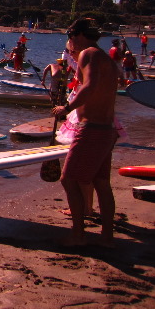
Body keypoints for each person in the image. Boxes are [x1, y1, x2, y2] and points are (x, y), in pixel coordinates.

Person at [51, 18, 120, 248]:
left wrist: (66, 108)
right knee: (101, 182)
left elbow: (89, 86)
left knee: (69, 180)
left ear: (79, 35)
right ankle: (107, 237)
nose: (70, 42)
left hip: (91, 129)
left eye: (70, 37)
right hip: (107, 129)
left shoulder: (88, 54)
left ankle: (78, 235)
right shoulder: (106, 59)